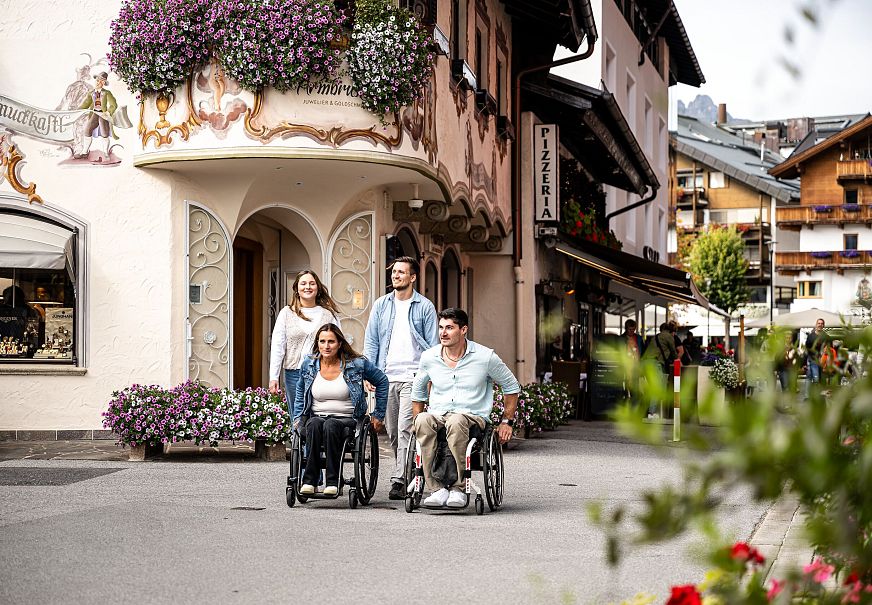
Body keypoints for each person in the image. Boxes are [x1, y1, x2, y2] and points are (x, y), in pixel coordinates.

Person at [411, 308, 520, 508]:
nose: (443, 333)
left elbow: (511, 386)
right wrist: (416, 420)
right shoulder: (429, 357)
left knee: (457, 420)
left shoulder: (485, 357)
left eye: (450, 328)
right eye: (441, 327)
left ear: (463, 330)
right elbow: (418, 394)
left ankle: (458, 488)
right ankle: (436, 489)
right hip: (438, 415)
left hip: (472, 417)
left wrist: (507, 421)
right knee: (423, 420)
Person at [363, 256, 438, 501]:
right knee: (394, 431)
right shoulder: (381, 305)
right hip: (387, 377)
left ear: (412, 277)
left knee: (406, 427)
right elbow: (372, 341)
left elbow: (433, 345)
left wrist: (429, 376)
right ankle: (404, 470)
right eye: (394, 272)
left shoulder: (425, 307)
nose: (395, 276)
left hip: (414, 376)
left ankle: (399, 480)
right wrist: (369, 371)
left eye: (401, 272)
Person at [293, 324, 388, 495]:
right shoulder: (309, 364)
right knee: (313, 424)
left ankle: (333, 481)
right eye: (322, 341)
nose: (326, 346)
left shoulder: (357, 364)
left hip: (348, 419)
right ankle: (309, 481)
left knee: (331, 425)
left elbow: (382, 381)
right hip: (317, 416)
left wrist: (378, 415)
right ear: (317, 343)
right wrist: (298, 417)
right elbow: (300, 391)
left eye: (331, 341)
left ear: (339, 344)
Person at [269, 271, 341, 414]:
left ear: (318, 288)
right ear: (296, 288)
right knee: (298, 417)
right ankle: (298, 437)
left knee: (319, 416)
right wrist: (273, 377)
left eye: (312, 283)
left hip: (322, 372)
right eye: (303, 283)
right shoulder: (286, 313)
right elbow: (278, 346)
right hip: (294, 374)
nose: (307, 287)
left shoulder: (329, 315)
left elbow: (339, 345)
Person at [641, 322, 679, 418]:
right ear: (671, 331)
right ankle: (651, 413)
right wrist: (677, 360)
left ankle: (648, 411)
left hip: (645, 363)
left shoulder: (656, 336)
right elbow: (673, 352)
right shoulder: (669, 336)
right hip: (654, 363)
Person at [77, 72, 118, 159]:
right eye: (97, 80)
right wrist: (78, 110)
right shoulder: (91, 93)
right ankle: (85, 152)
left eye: (101, 81)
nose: (99, 82)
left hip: (103, 115)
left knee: (104, 133)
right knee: (87, 130)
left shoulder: (107, 93)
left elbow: (113, 105)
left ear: (104, 83)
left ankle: (105, 152)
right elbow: (86, 103)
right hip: (94, 113)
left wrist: (108, 112)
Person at [803, 318, 826, 397]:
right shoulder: (811, 336)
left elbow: (830, 348)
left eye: (821, 323)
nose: (820, 325)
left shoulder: (826, 336)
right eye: (818, 323)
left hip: (822, 361)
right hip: (812, 360)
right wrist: (804, 363)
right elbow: (806, 349)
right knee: (815, 379)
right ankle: (810, 397)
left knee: (810, 377)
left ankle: (809, 396)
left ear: (823, 325)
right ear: (816, 325)